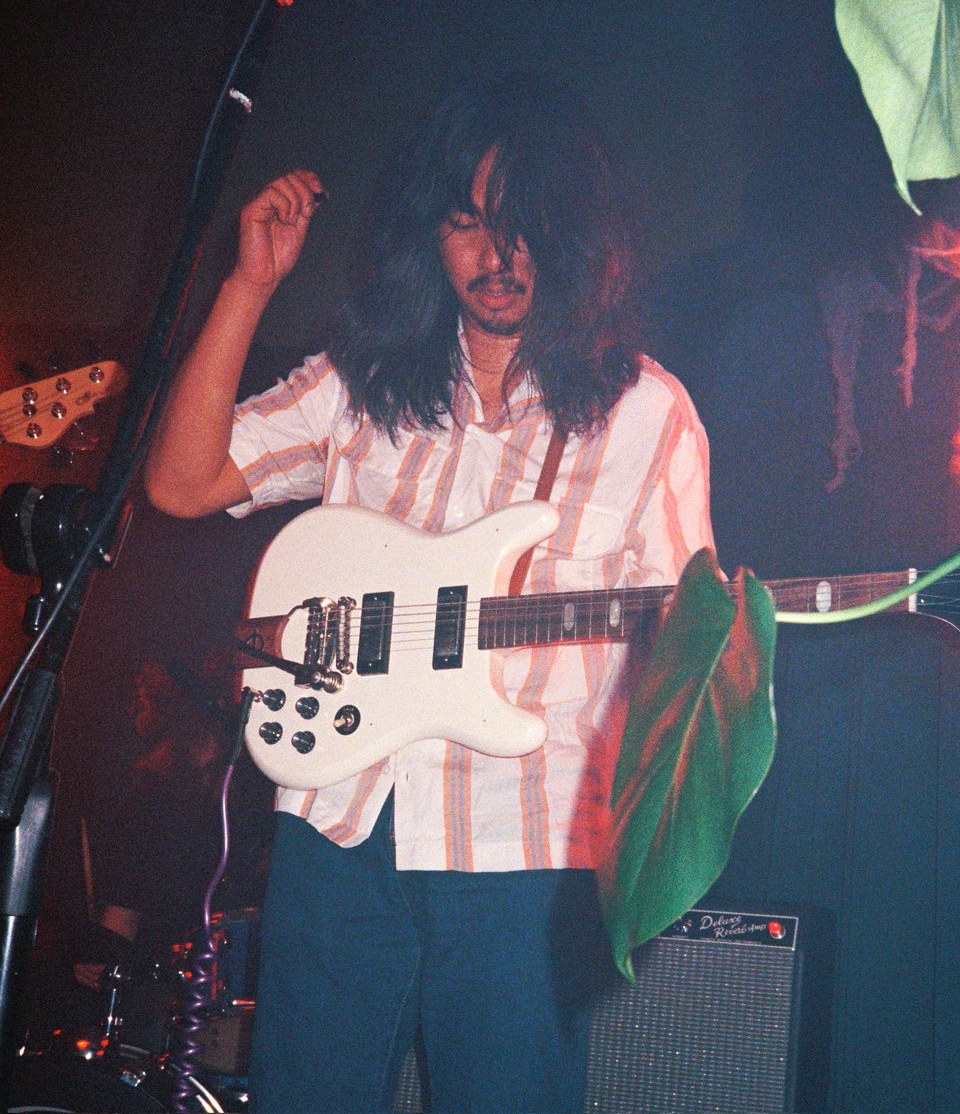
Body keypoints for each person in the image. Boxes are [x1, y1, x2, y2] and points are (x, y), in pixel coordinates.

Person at [145, 74, 715, 1114]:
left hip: (526, 852)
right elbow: (180, 482)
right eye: (468, 221)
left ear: (577, 237)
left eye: (527, 227)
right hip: (338, 826)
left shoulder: (649, 415)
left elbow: (684, 656)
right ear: (429, 233)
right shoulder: (363, 384)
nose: (498, 258)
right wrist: (248, 288)